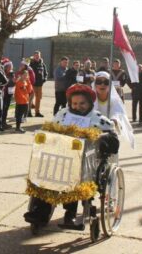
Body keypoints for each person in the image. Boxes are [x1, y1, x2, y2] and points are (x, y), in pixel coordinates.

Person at [24, 84, 119, 229]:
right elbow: (49, 130)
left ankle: (71, 214)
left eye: (82, 103)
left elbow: (113, 139)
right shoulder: (62, 114)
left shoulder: (97, 118)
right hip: (59, 159)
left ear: (89, 103)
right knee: (43, 172)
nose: (78, 106)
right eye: (74, 103)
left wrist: (102, 139)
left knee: (73, 176)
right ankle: (40, 212)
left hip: (85, 166)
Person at [29, 51, 48, 117]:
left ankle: (37, 112)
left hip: (40, 85)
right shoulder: (30, 64)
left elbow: (45, 73)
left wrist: (44, 79)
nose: (37, 56)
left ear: (40, 56)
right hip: (32, 84)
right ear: (34, 56)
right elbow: (27, 72)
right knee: (30, 99)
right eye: (36, 55)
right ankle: (28, 112)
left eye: (38, 55)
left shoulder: (42, 64)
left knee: (38, 99)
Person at [1, 59, 15, 130]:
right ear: (5, 67)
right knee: (3, 108)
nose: (11, 67)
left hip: (10, 94)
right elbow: (4, 83)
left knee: (6, 109)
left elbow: (13, 82)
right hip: (4, 94)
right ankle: (1, 123)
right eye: (9, 66)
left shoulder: (12, 74)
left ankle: (4, 123)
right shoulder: (3, 74)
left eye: (11, 66)